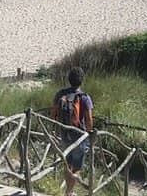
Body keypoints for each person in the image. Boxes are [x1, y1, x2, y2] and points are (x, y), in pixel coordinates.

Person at [53, 67, 94, 196]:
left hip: (64, 134)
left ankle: (68, 192)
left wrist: (55, 129)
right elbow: (88, 119)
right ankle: (69, 192)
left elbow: (53, 113)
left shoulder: (60, 94)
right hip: (79, 136)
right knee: (77, 166)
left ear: (69, 80)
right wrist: (90, 132)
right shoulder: (84, 97)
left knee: (67, 163)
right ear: (82, 81)